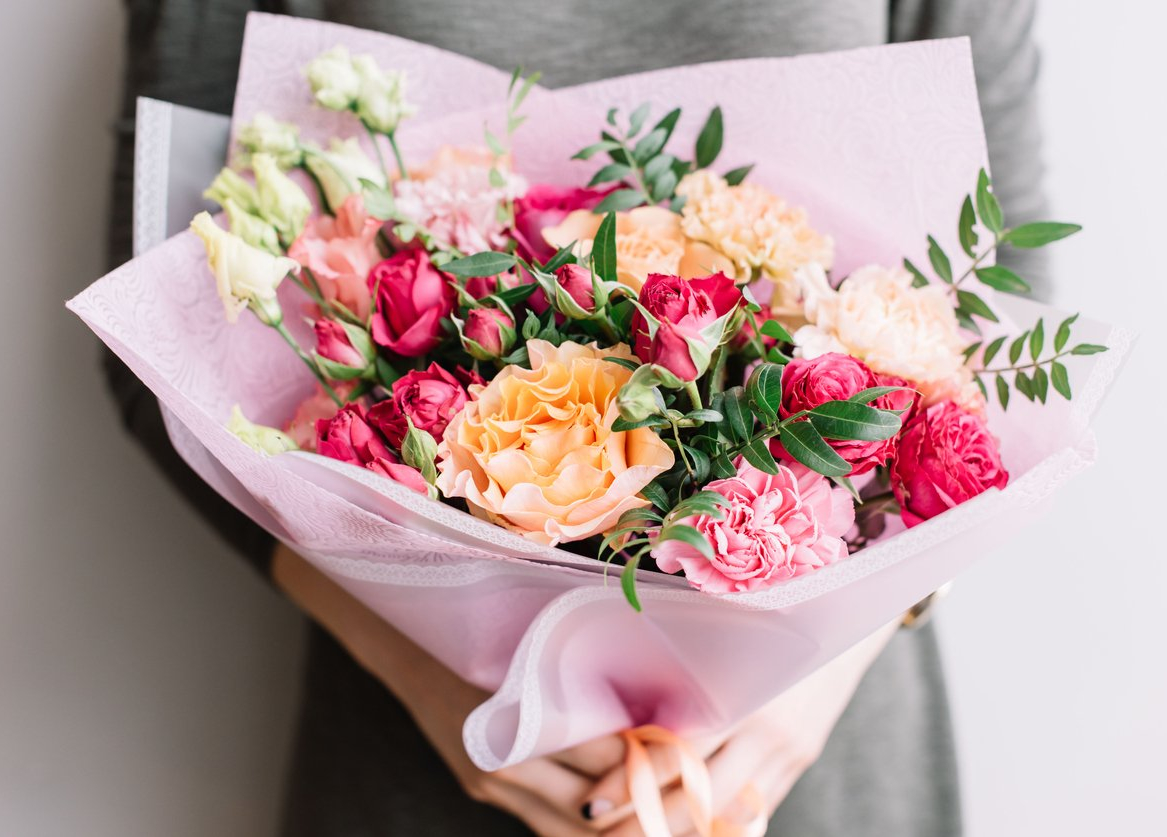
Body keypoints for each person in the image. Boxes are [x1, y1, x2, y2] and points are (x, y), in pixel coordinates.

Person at [104, 1, 1047, 834]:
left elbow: (1003, 344)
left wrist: (828, 669)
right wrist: (430, 678)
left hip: (816, 753)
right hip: (426, 754)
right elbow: (160, 337)